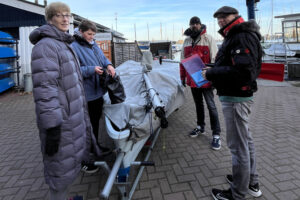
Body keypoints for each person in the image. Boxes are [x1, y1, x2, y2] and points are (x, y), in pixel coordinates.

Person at [30, 2, 101, 200]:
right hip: (60, 122)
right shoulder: (46, 47)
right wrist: (52, 127)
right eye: (59, 15)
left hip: (70, 118)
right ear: (50, 18)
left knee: (67, 167)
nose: (64, 19)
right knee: (59, 173)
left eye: (67, 15)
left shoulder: (63, 44)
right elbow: (46, 90)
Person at [202, 6, 263, 200]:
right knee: (246, 142)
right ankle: (251, 182)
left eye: (224, 16)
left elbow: (244, 73)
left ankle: (238, 192)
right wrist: (213, 67)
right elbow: (234, 64)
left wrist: (211, 73)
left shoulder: (240, 36)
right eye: (218, 17)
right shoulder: (236, 35)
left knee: (238, 147)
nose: (220, 20)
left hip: (236, 98)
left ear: (236, 16)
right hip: (237, 97)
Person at [71, 20, 115, 173]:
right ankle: (85, 158)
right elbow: (73, 70)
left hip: (97, 91)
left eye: (93, 34)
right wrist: (91, 69)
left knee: (95, 121)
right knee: (86, 126)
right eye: (89, 34)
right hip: (86, 93)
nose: (91, 37)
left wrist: (109, 65)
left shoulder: (93, 43)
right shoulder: (74, 47)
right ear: (81, 31)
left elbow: (103, 58)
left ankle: (95, 147)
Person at [180, 16, 222, 150]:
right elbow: (182, 61)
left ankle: (216, 134)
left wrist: (214, 77)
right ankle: (200, 127)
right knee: (198, 104)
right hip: (193, 80)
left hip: (206, 79)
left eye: (196, 24)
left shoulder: (208, 39)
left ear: (200, 24)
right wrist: (182, 78)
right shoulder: (186, 41)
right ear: (189, 25)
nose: (194, 26)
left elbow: (216, 59)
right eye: (192, 24)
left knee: (211, 106)